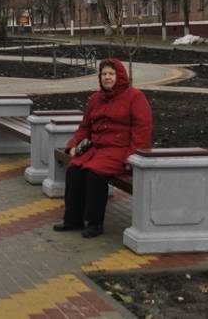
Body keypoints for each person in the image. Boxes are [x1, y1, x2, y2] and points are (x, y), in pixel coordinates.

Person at [53, 58, 153, 238]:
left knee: (95, 174)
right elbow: (85, 127)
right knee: (74, 170)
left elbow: (142, 131)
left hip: (118, 150)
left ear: (120, 76)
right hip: (96, 148)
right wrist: (73, 146)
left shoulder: (135, 97)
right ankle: (73, 219)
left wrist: (132, 158)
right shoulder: (95, 99)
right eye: (104, 74)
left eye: (111, 74)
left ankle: (94, 223)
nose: (107, 77)